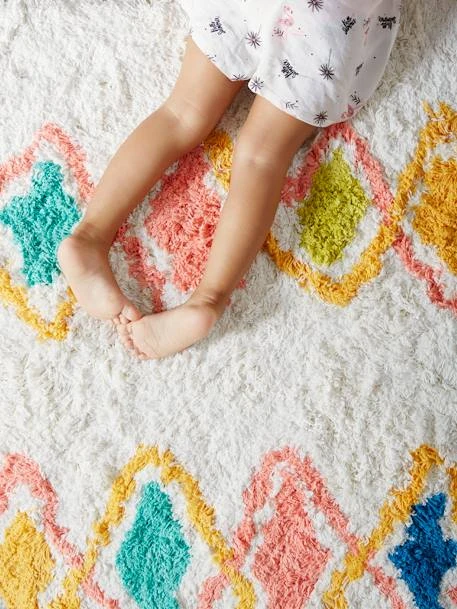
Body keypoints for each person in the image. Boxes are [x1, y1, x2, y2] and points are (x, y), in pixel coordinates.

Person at [58, 0, 402, 360]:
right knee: (260, 158)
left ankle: (89, 237)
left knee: (180, 114)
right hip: (326, 24)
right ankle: (207, 299)